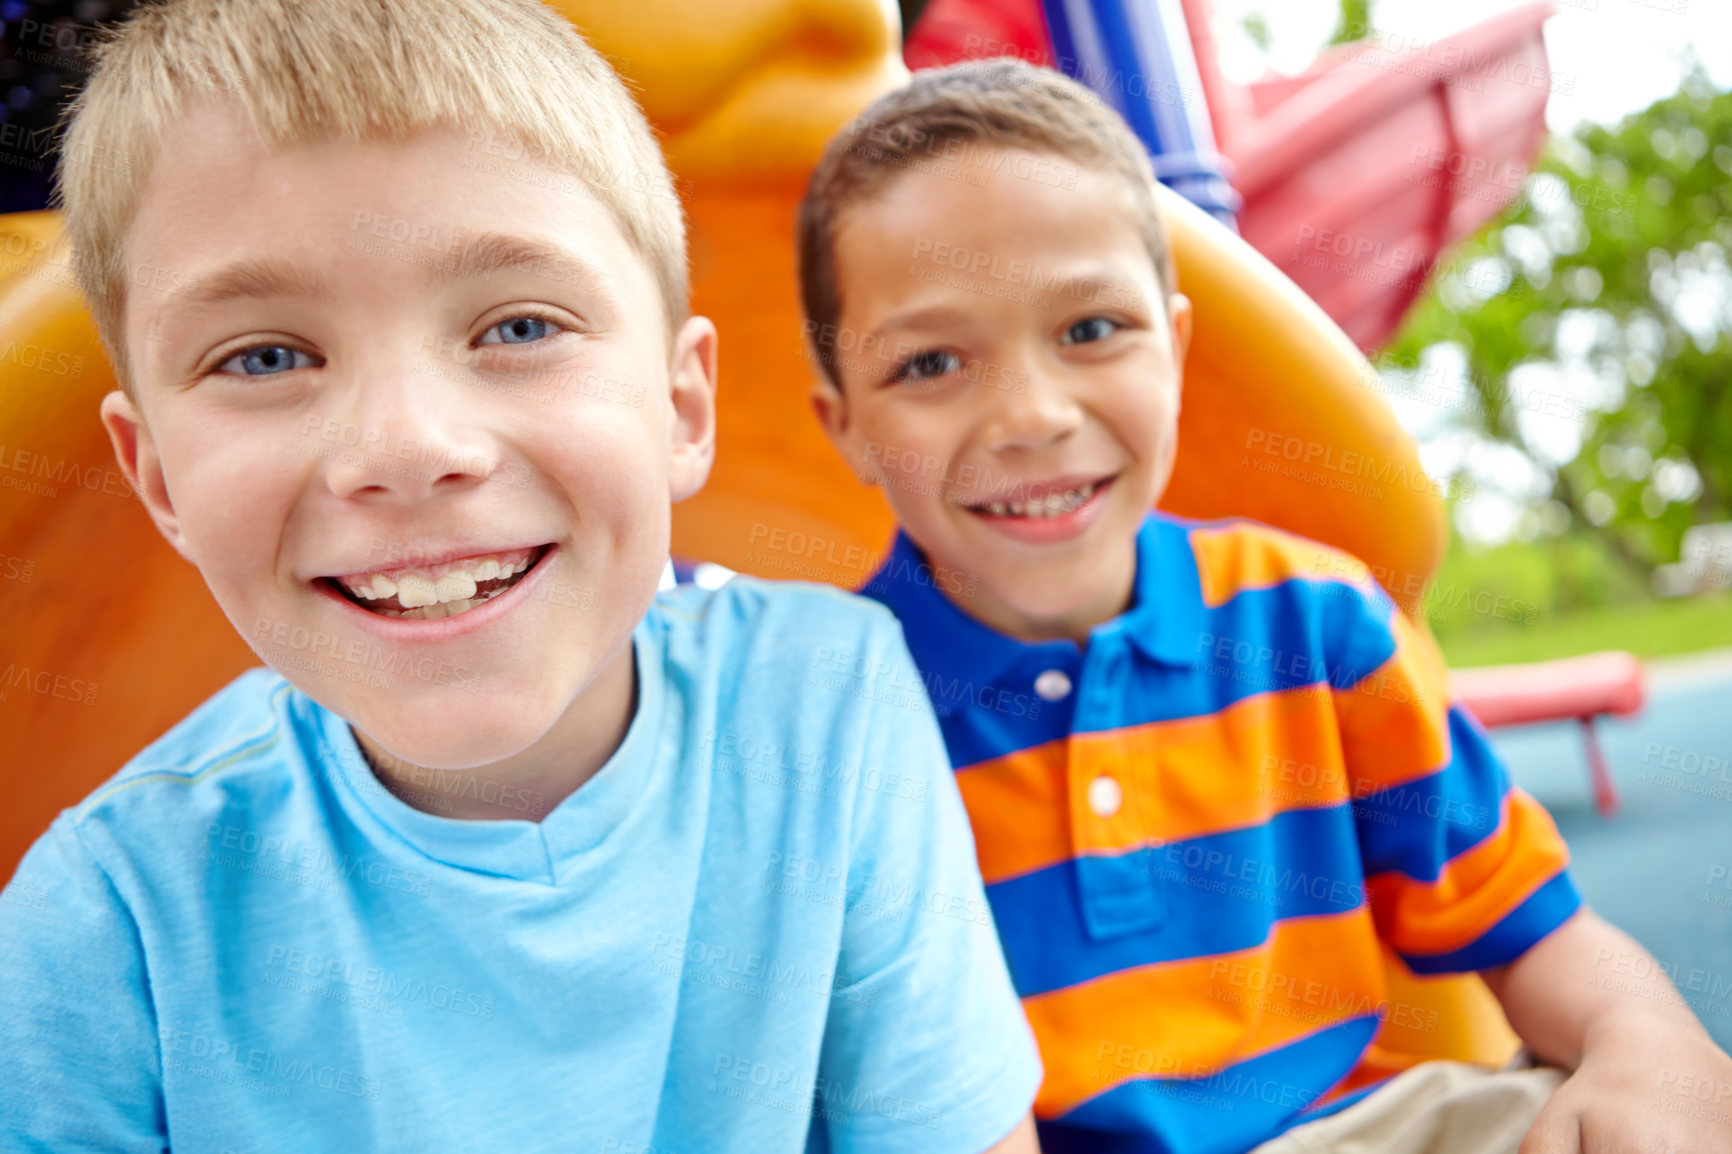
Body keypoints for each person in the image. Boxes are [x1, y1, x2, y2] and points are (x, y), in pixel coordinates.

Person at [0, 4, 1043, 1151]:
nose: (405, 445)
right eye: (265, 355)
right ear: (156, 480)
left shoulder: (824, 699)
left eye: (518, 326)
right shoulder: (101, 928)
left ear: (681, 406)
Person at [798, 57, 1732, 1154]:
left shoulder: (1314, 623)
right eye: (932, 360)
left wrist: (1648, 1037)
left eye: (1091, 329)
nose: (1032, 413)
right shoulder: (830, 711)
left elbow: (1533, 928)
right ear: (844, 422)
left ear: (1178, 351)